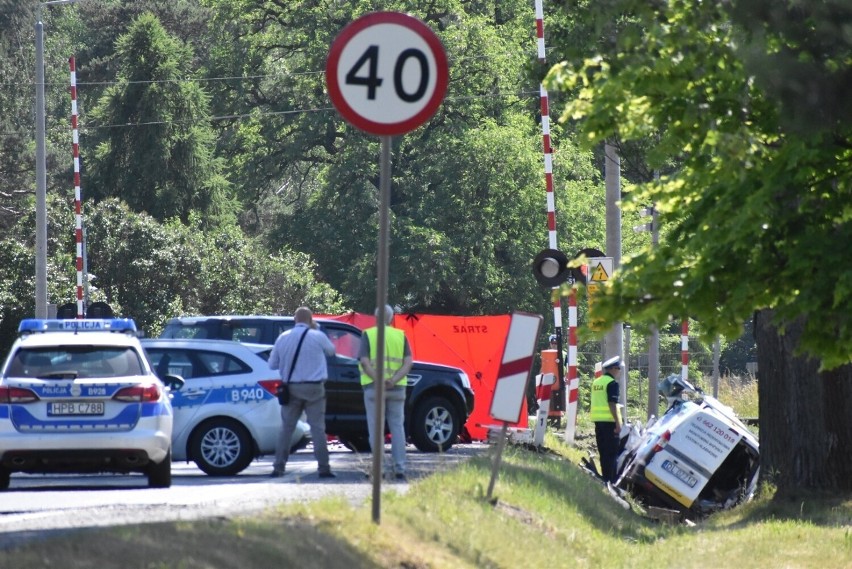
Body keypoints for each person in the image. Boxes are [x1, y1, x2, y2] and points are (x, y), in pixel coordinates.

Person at [268, 307, 337, 479]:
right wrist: (317, 329)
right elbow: (331, 351)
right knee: (318, 429)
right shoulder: (317, 336)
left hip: (291, 388)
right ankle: (324, 468)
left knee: (287, 429)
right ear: (311, 320)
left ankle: (278, 467)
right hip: (314, 388)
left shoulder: (283, 338)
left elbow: (272, 364)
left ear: (294, 320)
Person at [359, 305, 414, 481]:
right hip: (397, 388)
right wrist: (393, 379)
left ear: (375, 318)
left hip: (374, 388)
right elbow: (408, 363)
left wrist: (379, 379)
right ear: (391, 318)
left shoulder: (368, 335)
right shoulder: (401, 336)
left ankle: (380, 468)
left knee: (376, 429)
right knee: (397, 428)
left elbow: (365, 363)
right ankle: (400, 468)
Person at [591, 355, 624, 483]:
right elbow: (612, 403)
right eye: (619, 369)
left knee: (603, 451)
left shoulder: (597, 382)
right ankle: (611, 481)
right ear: (613, 369)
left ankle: (605, 478)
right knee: (612, 453)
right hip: (610, 423)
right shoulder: (612, 383)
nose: (619, 371)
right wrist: (618, 423)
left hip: (598, 421)